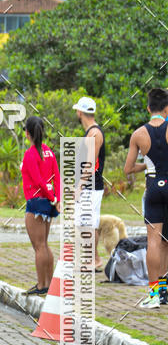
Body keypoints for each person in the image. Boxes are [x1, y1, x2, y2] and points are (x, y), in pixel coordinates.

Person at [124, 87, 168, 309]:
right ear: (167, 108)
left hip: (152, 187)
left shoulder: (138, 134)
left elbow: (128, 168)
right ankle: (165, 289)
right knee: (166, 242)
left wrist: (147, 166)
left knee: (154, 241)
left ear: (148, 107)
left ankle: (154, 295)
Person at [20, 116, 60, 295]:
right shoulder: (49, 152)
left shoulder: (30, 154)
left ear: (27, 133)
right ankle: (49, 283)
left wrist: (50, 196)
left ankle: (42, 284)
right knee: (44, 244)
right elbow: (56, 176)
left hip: (36, 202)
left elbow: (37, 180)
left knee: (39, 246)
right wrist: (56, 198)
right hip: (49, 203)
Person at [73, 96, 105, 270]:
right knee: (82, 222)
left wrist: (80, 186)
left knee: (88, 223)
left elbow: (91, 164)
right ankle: (90, 258)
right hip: (87, 185)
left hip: (91, 186)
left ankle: (95, 259)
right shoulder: (91, 132)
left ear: (80, 112)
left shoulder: (94, 133)